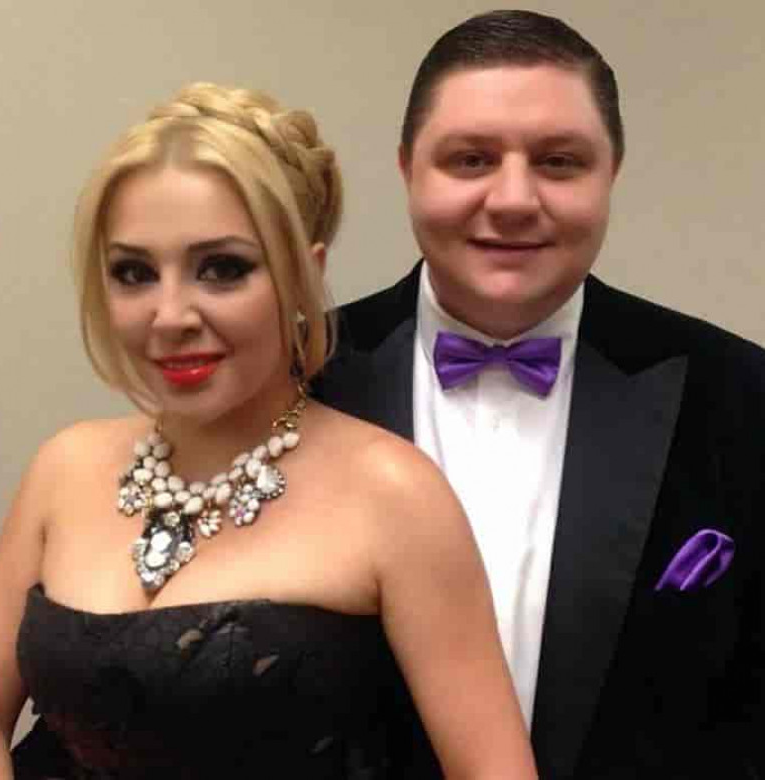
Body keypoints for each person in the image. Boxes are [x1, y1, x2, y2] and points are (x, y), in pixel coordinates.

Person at [0, 82, 537, 778]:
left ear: (304, 275)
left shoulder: (393, 495)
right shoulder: (64, 468)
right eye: (134, 273)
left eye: (222, 269)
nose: (170, 316)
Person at [318, 10, 765, 779]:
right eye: (471, 159)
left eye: (559, 162)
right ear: (407, 168)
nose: (514, 199)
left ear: (611, 173)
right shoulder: (297, 377)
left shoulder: (742, 395)